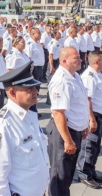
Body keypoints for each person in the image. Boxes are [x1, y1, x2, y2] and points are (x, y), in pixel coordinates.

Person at [0, 61, 49, 195]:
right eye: (29, 89)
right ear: (13, 92)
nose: (36, 91)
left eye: (35, 87)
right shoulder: (3, 125)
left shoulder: (30, 115)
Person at [47, 47, 89, 196]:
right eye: (76, 58)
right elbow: (58, 113)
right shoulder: (61, 80)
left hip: (74, 130)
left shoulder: (75, 76)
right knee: (60, 176)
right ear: (64, 61)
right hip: (64, 134)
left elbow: (80, 103)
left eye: (79, 57)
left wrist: (84, 124)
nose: (81, 60)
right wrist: (68, 140)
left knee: (67, 175)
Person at [77, 51, 102, 189]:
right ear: (97, 62)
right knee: (89, 146)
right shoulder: (89, 76)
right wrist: (92, 119)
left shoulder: (98, 75)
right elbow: (88, 100)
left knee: (95, 147)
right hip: (94, 116)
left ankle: (91, 171)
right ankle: (84, 173)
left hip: (99, 115)